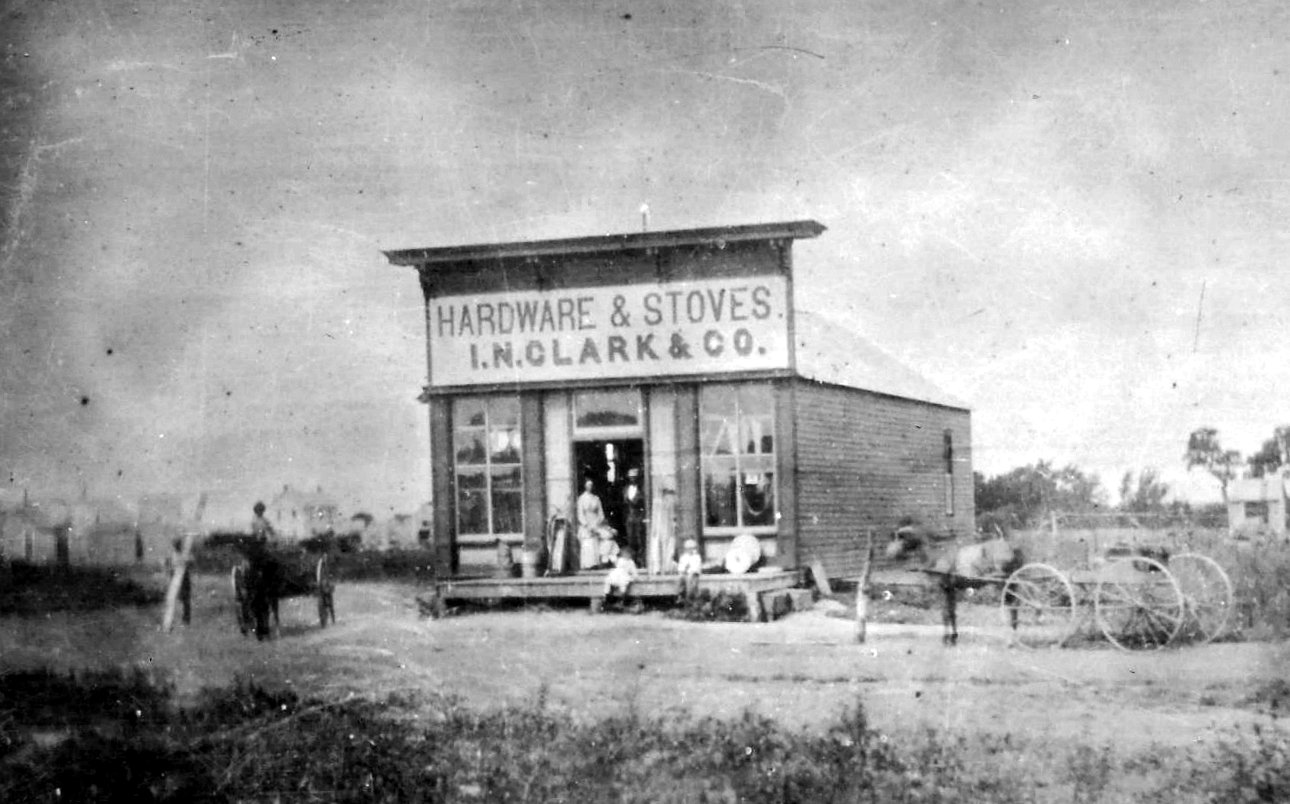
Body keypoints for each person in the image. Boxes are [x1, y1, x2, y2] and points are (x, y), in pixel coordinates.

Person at [576, 480, 605, 570]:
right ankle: (587, 565)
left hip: (595, 522)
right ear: (585, 486)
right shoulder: (581, 498)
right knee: (587, 543)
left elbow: (601, 513)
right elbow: (580, 513)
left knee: (595, 543)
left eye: (591, 485)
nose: (590, 487)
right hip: (586, 524)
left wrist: (597, 522)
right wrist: (586, 524)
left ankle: (595, 564)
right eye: (588, 485)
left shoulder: (596, 498)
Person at [602, 546, 640, 612]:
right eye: (625, 554)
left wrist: (635, 576)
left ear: (631, 555)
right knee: (609, 581)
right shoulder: (620, 560)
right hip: (617, 574)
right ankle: (607, 598)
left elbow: (634, 571)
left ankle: (621, 600)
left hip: (624, 575)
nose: (626, 556)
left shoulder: (631, 562)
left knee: (624, 584)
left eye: (628, 554)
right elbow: (615, 564)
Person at [622, 468, 646, 561]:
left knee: (640, 539)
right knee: (630, 538)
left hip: (639, 516)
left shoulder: (641, 489)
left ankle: (641, 559)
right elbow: (624, 503)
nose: (633, 479)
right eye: (631, 477)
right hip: (629, 517)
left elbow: (642, 502)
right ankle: (633, 559)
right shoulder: (625, 489)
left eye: (634, 477)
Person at [168, 537, 192, 625]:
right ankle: (178, 618)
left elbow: (188, 563)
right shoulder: (174, 555)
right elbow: (172, 569)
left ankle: (186, 619)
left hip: (184, 578)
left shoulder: (182, 555)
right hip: (178, 578)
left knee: (186, 599)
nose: (178, 546)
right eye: (177, 545)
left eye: (178, 545)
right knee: (178, 599)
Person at [676, 538, 702, 604]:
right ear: (685, 549)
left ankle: (689, 597)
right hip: (685, 573)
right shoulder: (683, 557)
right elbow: (681, 568)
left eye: (693, 548)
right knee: (681, 578)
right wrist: (683, 571)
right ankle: (681, 595)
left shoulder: (696, 557)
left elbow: (696, 568)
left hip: (693, 574)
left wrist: (690, 571)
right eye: (689, 549)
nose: (691, 550)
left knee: (690, 579)